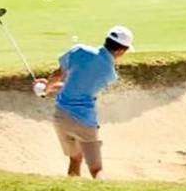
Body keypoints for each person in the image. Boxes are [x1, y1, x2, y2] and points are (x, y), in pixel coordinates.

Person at [35, 25, 134, 179]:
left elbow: (59, 75)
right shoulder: (110, 74)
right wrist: (49, 87)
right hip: (85, 122)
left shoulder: (79, 50)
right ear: (122, 50)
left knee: (75, 158)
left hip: (61, 117)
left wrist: (44, 88)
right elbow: (82, 89)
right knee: (96, 169)